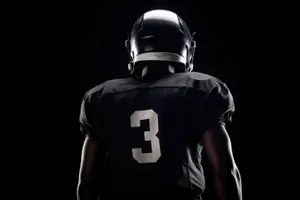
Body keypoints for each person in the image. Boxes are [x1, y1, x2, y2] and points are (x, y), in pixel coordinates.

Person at [77, 9, 242, 200]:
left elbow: (87, 181)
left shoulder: (102, 97)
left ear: (133, 48)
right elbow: (224, 172)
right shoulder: (201, 90)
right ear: (187, 48)